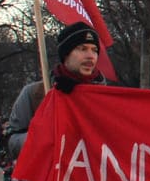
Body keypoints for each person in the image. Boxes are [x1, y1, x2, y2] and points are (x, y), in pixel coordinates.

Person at [7, 22, 108, 160]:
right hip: (52, 178)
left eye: (94, 50)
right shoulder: (35, 93)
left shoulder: (106, 97)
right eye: (82, 48)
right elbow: (12, 142)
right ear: (66, 54)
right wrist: (43, 137)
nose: (90, 56)